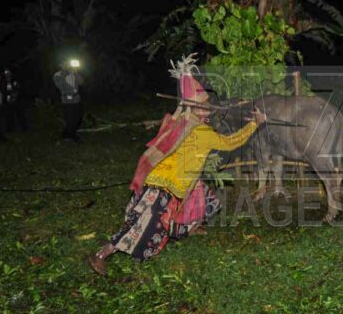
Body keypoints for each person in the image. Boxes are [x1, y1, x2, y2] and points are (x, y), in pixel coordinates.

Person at [89, 54, 267, 276]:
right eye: (204, 107)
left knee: (201, 197)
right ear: (194, 109)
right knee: (140, 225)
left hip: (161, 181)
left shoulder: (179, 123)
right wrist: (255, 124)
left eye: (207, 107)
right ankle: (100, 255)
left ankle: (189, 228)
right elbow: (230, 142)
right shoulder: (202, 132)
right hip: (166, 188)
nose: (208, 110)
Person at [53, 61, 84, 142]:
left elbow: (81, 82)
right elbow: (60, 86)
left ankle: (66, 134)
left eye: (66, 63)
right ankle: (72, 137)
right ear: (60, 65)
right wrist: (65, 73)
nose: (66, 65)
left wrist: (76, 73)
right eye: (63, 64)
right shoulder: (57, 75)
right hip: (67, 100)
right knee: (70, 119)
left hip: (77, 99)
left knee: (78, 118)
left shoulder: (73, 73)